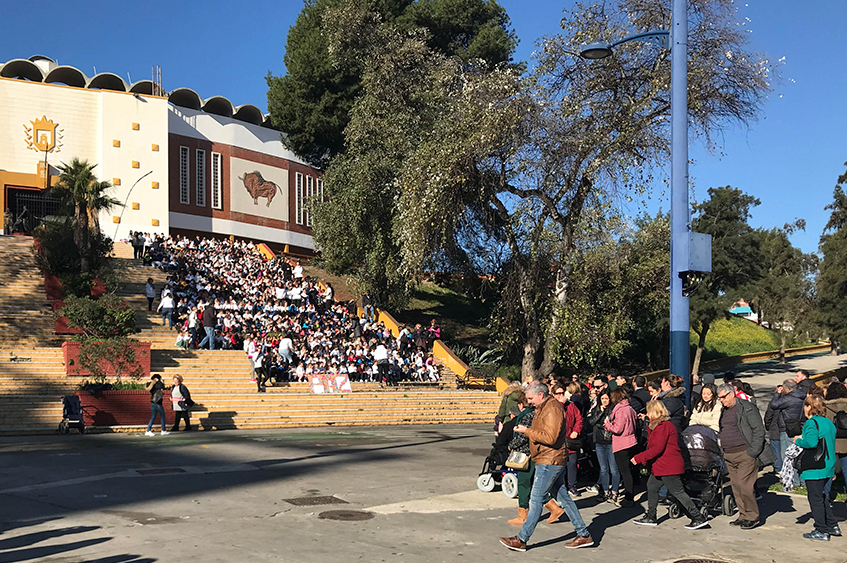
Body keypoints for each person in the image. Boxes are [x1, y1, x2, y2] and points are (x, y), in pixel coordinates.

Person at [499, 381, 594, 551]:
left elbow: (550, 437)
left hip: (549, 460)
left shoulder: (552, 409)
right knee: (563, 498)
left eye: (530, 398)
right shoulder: (545, 407)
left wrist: (527, 431)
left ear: (540, 395)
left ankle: (522, 539)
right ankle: (584, 534)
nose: (529, 402)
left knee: (536, 499)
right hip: (547, 459)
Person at [632, 400, 709, 530]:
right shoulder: (656, 425)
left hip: (668, 466)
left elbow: (657, 448)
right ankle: (651, 516)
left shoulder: (663, 426)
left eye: (649, 412)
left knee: (678, 492)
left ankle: (697, 517)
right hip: (661, 466)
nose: (647, 414)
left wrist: (639, 458)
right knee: (651, 487)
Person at [716, 383, 773, 529]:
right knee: (736, 486)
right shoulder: (725, 410)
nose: (721, 400)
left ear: (731, 394)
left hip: (745, 454)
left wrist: (752, 452)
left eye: (723, 397)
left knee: (745, 486)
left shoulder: (747, 407)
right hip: (729, 454)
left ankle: (752, 516)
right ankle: (743, 515)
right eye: (719, 398)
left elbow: (758, 430)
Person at [794, 394, 838, 540]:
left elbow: (811, 442)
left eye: (805, 406)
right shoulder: (828, 422)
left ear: (809, 407)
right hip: (829, 463)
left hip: (815, 467)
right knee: (823, 497)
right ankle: (832, 524)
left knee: (815, 499)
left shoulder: (811, 423)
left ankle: (821, 529)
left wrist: (798, 440)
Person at [604, 387, 637, 507]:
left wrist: (608, 425)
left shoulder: (620, 411)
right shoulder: (630, 408)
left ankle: (629, 497)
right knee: (628, 471)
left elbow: (618, 429)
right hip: (632, 441)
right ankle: (630, 495)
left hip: (622, 443)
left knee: (625, 472)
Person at [770, 378, 806, 487]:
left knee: (788, 456)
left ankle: (793, 481)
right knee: (798, 455)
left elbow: (774, 404)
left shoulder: (789, 399)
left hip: (787, 429)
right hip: (799, 428)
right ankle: (802, 481)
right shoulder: (802, 396)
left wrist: (777, 393)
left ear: (786, 388)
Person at [588, 389, 620, 502]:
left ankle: (615, 491)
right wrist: (600, 412)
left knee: (614, 468)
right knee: (603, 469)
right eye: (602, 399)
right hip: (599, 442)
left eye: (606, 398)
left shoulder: (614, 409)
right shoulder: (597, 409)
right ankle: (605, 491)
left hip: (611, 441)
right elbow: (591, 422)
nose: (604, 401)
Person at [823, 381, 847, 502]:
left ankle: (825, 497)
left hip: (829, 443)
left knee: (828, 471)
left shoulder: (825, 407)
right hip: (846, 443)